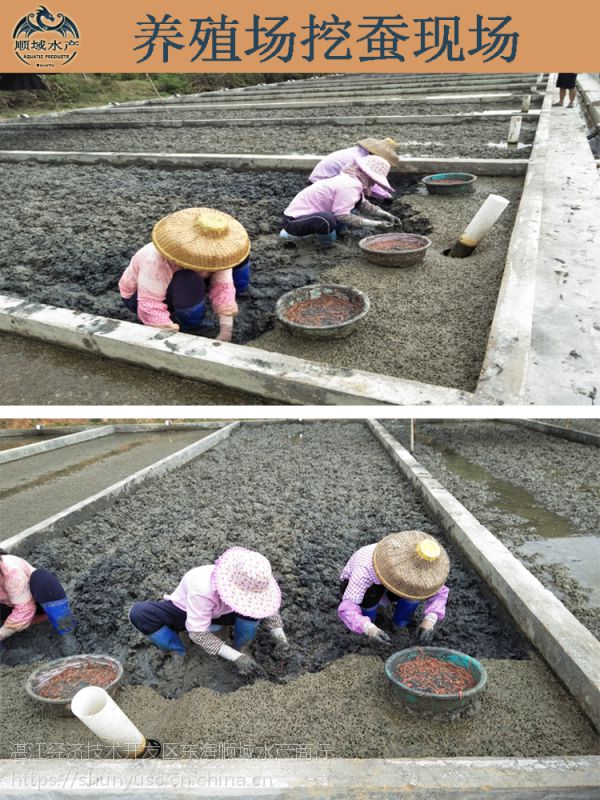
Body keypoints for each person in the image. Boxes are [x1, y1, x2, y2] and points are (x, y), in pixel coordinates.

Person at [129, 547, 290, 679]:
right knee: (140, 614)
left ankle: (242, 647)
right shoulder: (202, 589)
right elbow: (198, 634)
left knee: (253, 613)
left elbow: (266, 607)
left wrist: (280, 638)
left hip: (224, 614)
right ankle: (180, 653)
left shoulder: (256, 582)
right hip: (186, 611)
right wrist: (235, 658)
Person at [119, 207, 251, 343]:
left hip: (185, 279)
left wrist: (226, 330)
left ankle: (240, 291)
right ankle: (192, 325)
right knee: (188, 281)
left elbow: (223, 286)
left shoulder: (221, 252)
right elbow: (149, 304)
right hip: (140, 296)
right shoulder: (157, 261)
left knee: (239, 257)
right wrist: (165, 327)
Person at [338, 531, 450, 645]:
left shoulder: (427, 573)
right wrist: (368, 628)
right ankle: (369, 618)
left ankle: (400, 623)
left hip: (389, 589)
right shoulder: (365, 570)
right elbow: (347, 608)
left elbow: (439, 592)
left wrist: (429, 621)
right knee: (370, 596)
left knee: (416, 590)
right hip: (367, 588)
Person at [280, 155, 402, 247]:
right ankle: (326, 246)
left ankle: (319, 234)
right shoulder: (349, 185)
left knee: (349, 207)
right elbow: (342, 216)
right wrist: (376, 224)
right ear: (367, 175)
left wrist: (386, 215)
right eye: (374, 180)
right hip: (294, 221)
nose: (374, 183)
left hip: (310, 217)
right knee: (326, 219)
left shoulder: (353, 182)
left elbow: (363, 204)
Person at [0, 549, 76, 651]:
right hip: (9, 604)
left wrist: (2, 633)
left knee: (42, 579)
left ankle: (67, 632)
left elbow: (25, 609)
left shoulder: (12, 572)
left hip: (36, 602)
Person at [309, 137, 401, 201]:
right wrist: (386, 196)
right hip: (320, 182)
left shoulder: (359, 152)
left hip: (325, 179)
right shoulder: (359, 159)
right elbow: (367, 180)